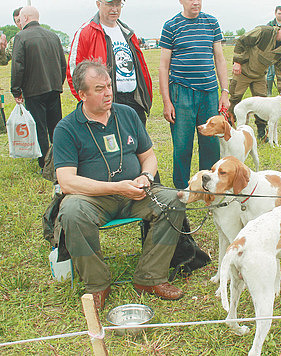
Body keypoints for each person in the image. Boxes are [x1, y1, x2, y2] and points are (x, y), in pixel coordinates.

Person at [54, 60, 185, 309]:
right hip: (93, 200)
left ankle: (150, 277)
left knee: (174, 200)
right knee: (70, 211)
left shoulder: (127, 114)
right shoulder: (67, 128)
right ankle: (97, 285)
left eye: (109, 86)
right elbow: (67, 181)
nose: (108, 93)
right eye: (100, 88)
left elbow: (148, 157)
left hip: (135, 194)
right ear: (82, 94)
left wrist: (146, 177)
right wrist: (116, 187)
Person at [159, 0, 229, 189]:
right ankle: (183, 189)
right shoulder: (171, 26)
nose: (196, 2)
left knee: (210, 146)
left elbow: (220, 59)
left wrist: (224, 91)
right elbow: (164, 66)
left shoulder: (211, 23)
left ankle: (208, 188)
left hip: (209, 93)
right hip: (181, 93)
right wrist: (167, 101)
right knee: (182, 146)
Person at [67, 0, 153, 127]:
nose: (115, 9)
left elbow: (140, 67)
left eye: (118, 4)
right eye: (110, 4)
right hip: (105, 102)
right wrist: (90, 102)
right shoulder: (86, 32)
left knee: (137, 144)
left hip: (133, 101)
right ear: (98, 4)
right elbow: (74, 72)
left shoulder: (127, 32)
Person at [10, 6, 66, 169]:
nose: (19, 22)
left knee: (39, 127)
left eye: (19, 19)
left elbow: (18, 66)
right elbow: (62, 65)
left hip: (34, 90)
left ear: (25, 18)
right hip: (54, 88)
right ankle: (61, 161)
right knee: (56, 126)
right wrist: (57, 83)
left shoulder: (21, 37)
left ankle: (45, 164)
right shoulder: (53, 36)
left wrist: (16, 90)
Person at [229, 22, 281, 142]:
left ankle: (262, 133)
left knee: (262, 102)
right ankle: (229, 131)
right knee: (234, 99)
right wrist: (237, 62)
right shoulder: (264, 32)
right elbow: (242, 41)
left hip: (259, 76)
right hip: (243, 71)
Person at [266, 5, 281, 96]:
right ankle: (268, 92)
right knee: (270, 74)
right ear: (275, 13)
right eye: (279, 13)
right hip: (272, 53)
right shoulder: (270, 24)